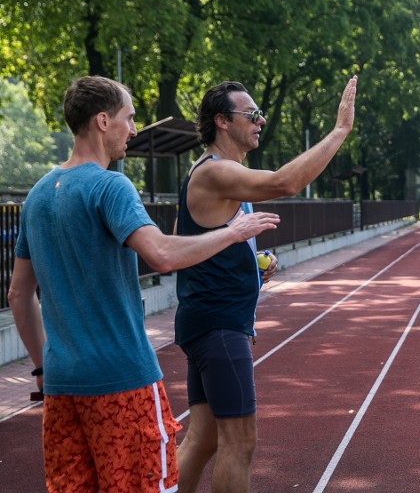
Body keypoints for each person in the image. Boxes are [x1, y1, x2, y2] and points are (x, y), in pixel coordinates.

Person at [6, 75, 279, 493]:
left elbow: (19, 294)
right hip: (121, 379)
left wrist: (43, 369)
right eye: (129, 118)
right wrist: (232, 233)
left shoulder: (38, 195)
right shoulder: (112, 186)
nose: (133, 129)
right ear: (102, 121)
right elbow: (164, 255)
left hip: (61, 385)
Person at [174, 76, 358, 493]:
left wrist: (248, 266)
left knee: (202, 440)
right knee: (240, 442)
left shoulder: (221, 174)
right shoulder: (215, 173)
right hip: (219, 325)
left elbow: (189, 242)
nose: (261, 121)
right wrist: (340, 130)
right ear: (222, 121)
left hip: (209, 319)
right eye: (252, 114)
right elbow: (284, 182)